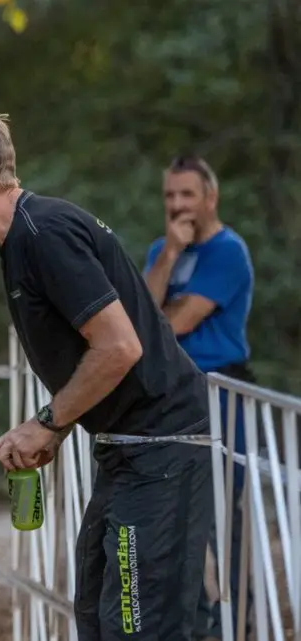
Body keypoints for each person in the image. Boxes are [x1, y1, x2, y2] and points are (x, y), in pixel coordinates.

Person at [0, 101, 212, 640]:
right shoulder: (19, 239)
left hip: (160, 450)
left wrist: (46, 423)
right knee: (99, 618)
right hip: (125, 449)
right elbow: (94, 355)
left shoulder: (45, 233)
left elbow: (120, 347)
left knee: (135, 628)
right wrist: (58, 426)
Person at [142, 155, 254, 641]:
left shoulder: (228, 252)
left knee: (224, 518)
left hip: (219, 390)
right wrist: (167, 256)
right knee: (177, 512)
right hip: (172, 392)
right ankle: (196, 625)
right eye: (170, 195)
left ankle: (239, 625)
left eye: (187, 194)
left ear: (211, 197)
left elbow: (177, 322)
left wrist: (165, 309)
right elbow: (141, 319)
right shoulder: (162, 250)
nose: (177, 205)